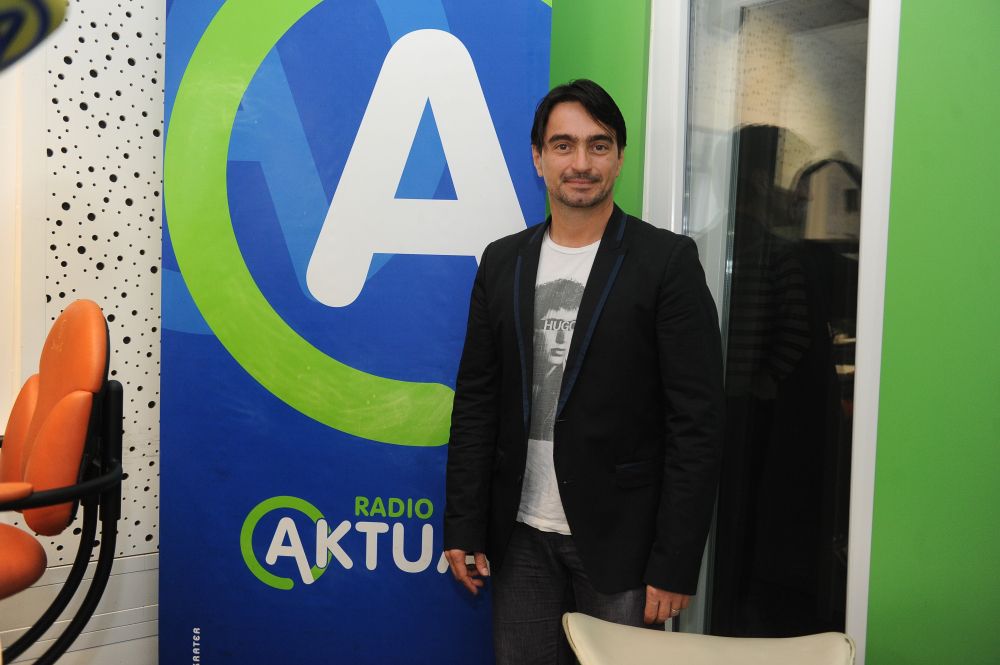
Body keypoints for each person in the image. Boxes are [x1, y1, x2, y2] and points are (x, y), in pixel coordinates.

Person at [444, 79, 725, 664]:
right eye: (563, 145)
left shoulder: (666, 262)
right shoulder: (502, 262)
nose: (581, 163)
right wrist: (465, 525)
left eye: (599, 145)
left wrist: (675, 561)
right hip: (519, 535)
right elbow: (476, 401)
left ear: (619, 158)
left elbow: (696, 423)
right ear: (538, 158)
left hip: (623, 543)